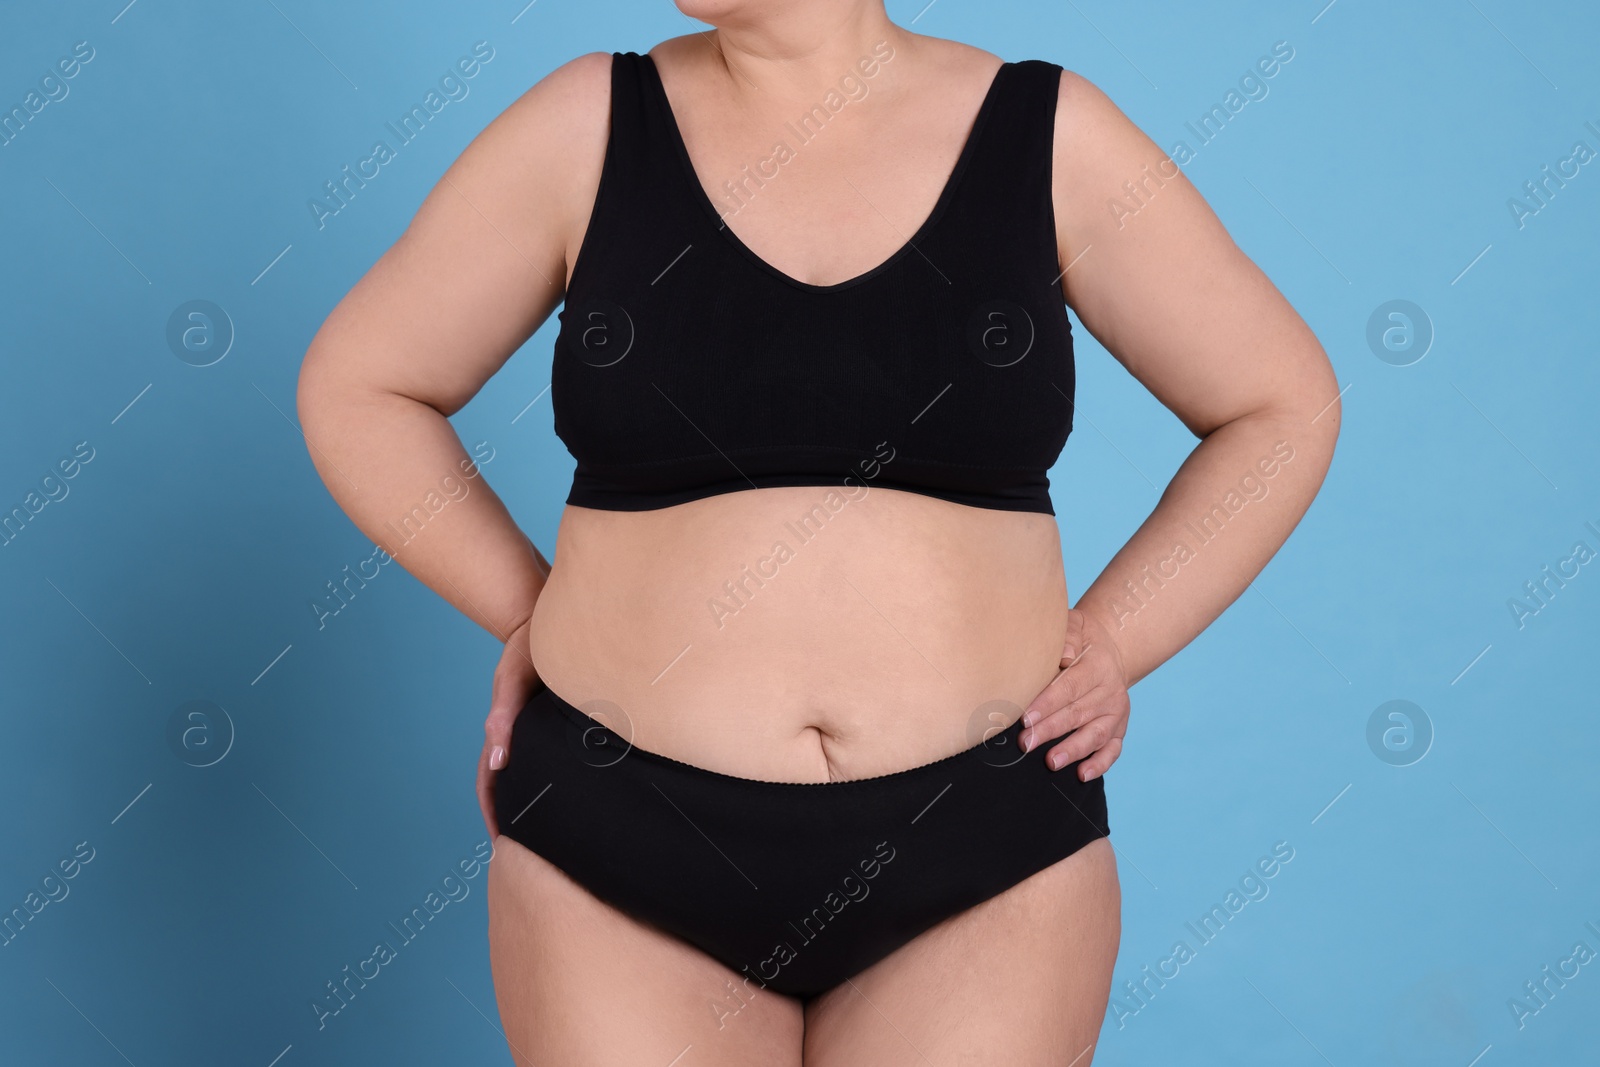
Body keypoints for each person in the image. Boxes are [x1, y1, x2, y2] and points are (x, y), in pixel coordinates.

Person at [296, 2, 1339, 1062]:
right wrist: (530, 607)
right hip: (621, 835)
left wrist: (1119, 631)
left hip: (982, 846)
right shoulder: (586, 125)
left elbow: (1277, 406)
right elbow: (362, 385)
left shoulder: (1045, 131)